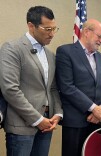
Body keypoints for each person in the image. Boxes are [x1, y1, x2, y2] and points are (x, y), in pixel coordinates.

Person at [0, 6, 63, 156]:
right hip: (22, 126)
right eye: (47, 29)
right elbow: (10, 89)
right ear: (31, 26)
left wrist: (58, 113)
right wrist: (37, 119)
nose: (52, 34)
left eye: (54, 29)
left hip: (47, 125)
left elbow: (53, 88)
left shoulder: (50, 54)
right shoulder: (12, 49)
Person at [56, 19, 101, 156]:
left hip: (98, 120)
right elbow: (67, 87)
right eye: (100, 36)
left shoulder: (100, 58)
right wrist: (93, 108)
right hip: (75, 120)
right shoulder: (66, 51)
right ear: (86, 32)